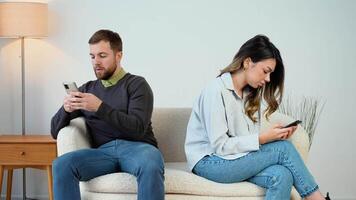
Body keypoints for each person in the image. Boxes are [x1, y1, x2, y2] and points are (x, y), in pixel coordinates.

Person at [184, 35, 330, 200]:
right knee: (283, 149)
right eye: (265, 71)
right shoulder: (215, 91)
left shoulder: (249, 95)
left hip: (235, 160)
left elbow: (245, 142)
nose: (268, 79)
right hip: (209, 163)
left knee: (282, 175)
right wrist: (262, 139)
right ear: (247, 62)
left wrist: (272, 135)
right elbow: (220, 146)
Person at [51, 29, 164, 200]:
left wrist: (99, 107)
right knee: (61, 164)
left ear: (118, 56)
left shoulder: (137, 85)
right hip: (103, 153)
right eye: (92, 56)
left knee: (150, 162)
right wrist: (66, 110)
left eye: (102, 55)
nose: (96, 62)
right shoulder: (87, 89)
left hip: (138, 149)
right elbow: (54, 131)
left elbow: (137, 128)